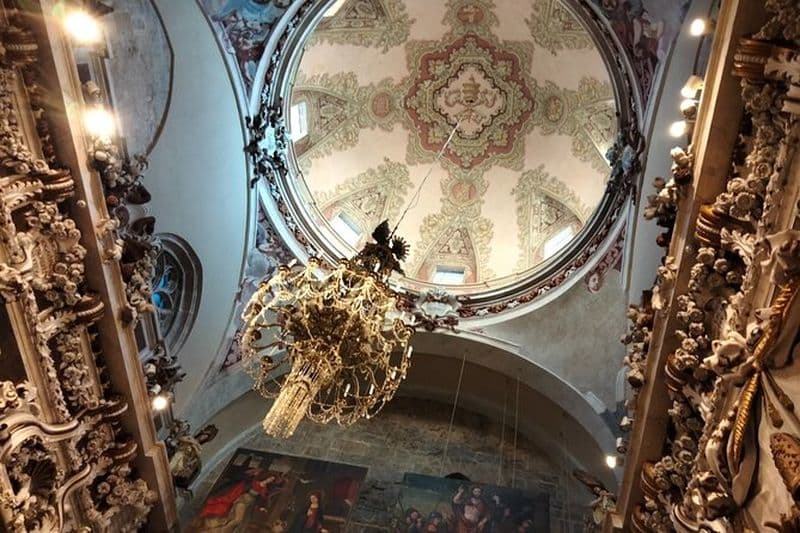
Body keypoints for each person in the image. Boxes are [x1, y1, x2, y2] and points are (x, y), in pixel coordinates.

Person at [195, 465, 284, 532]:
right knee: (237, 520)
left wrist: (262, 507)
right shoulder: (253, 482)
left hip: (249, 504)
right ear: (267, 476)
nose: (270, 480)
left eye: (272, 480)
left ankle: (216, 530)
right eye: (270, 478)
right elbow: (241, 487)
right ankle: (217, 531)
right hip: (243, 501)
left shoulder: (264, 489)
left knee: (234, 519)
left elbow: (261, 499)